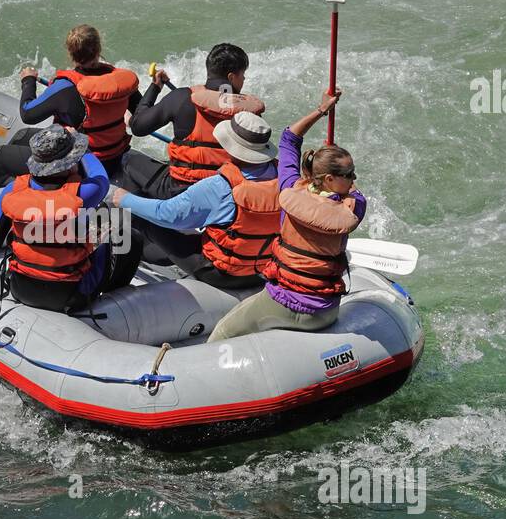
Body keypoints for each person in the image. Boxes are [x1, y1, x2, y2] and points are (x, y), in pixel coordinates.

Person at [208, 88, 364, 341]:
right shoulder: (354, 206)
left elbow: (289, 138)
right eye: (350, 174)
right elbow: (355, 192)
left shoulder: (290, 187)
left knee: (224, 331)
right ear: (330, 179)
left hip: (282, 302)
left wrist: (321, 109)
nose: (354, 179)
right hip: (325, 312)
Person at [0, 126, 142, 313]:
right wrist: (82, 147)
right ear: (70, 162)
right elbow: (100, 177)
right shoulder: (85, 193)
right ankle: (116, 305)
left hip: (20, 289)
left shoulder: (12, 191)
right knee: (129, 237)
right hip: (72, 296)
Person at [108, 110, 280, 289]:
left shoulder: (219, 187)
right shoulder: (286, 179)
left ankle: (117, 277)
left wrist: (123, 198)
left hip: (220, 274)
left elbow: (167, 215)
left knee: (144, 220)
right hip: (262, 271)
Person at [0, 25, 141, 189]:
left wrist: (28, 81)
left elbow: (27, 113)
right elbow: (141, 115)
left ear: (70, 53)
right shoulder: (118, 81)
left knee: (0, 155)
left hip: (78, 163)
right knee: (22, 136)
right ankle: (23, 180)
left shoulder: (65, 87)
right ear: (99, 48)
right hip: (113, 158)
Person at [121, 42, 266, 200]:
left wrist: (155, 86)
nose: (243, 79)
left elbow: (138, 127)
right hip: (226, 192)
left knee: (128, 159)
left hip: (181, 190)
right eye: (242, 75)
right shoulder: (248, 112)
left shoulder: (182, 97)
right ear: (231, 77)